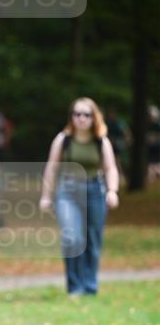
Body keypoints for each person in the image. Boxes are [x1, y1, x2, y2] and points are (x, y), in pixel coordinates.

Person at [40, 97, 119, 296]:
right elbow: (51, 167)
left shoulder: (101, 140)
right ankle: (74, 287)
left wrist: (112, 191)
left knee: (93, 240)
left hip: (94, 191)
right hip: (67, 191)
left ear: (94, 117)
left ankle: (89, 286)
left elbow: (110, 168)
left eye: (86, 114)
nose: (81, 118)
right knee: (72, 238)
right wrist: (46, 196)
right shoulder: (63, 139)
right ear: (72, 117)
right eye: (77, 114)